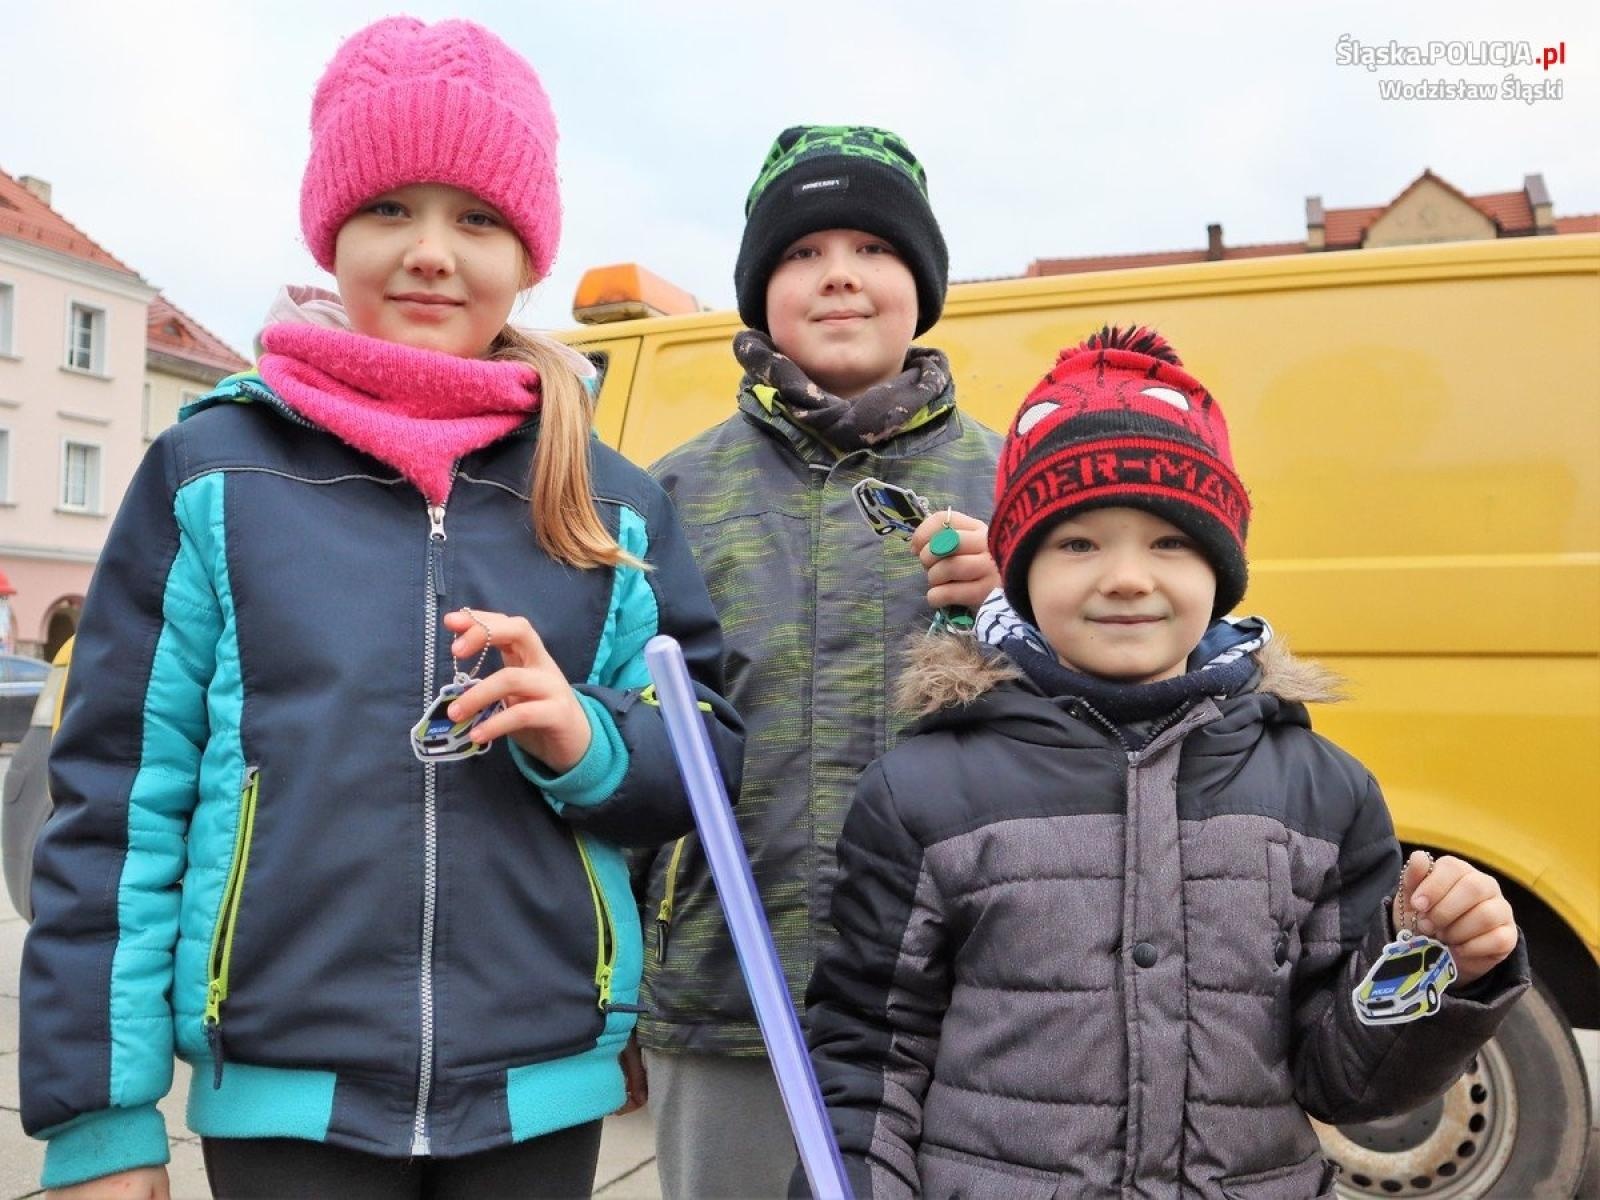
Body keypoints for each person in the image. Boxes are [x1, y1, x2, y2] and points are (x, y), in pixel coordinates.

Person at [19, 17, 742, 1200]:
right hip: (282, 1094)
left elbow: (705, 764)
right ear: (332, 228)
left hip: (540, 1087)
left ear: (529, 253)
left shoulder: (610, 499)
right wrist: (100, 1120)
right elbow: (113, 804)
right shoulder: (212, 475)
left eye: (476, 219)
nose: (430, 253)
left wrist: (587, 737)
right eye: (389, 209)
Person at [801, 326, 1529, 1198]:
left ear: (1221, 571)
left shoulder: (1322, 790)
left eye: (1170, 543)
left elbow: (1351, 1087)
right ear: (1020, 570)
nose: (1125, 578)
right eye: (1077, 543)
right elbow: (869, 1059)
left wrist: (1437, 967)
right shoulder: (923, 790)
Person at [635, 125, 1002, 1199]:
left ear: (920, 283)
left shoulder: (1021, 482)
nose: (838, 273)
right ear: (760, 291)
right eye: (801, 252)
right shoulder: (671, 493)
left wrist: (1022, 610)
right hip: (724, 994)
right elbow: (622, 732)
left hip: (971, 991)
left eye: (873, 248)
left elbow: (1125, 696)